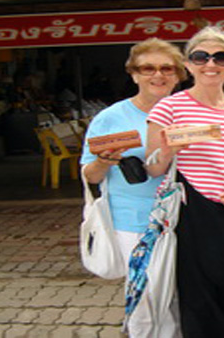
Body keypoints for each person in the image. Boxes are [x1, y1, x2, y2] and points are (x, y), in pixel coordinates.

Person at [144, 26, 224, 338]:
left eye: (221, 57)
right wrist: (167, 151)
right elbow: (152, 168)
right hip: (191, 212)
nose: (210, 64)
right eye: (200, 57)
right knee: (200, 297)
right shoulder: (169, 107)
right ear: (188, 65)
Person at [80, 37, 186, 336]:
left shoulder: (191, 112)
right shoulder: (111, 118)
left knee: (181, 297)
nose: (158, 75)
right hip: (133, 221)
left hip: (187, 220)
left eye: (167, 68)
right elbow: (90, 175)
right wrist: (104, 161)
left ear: (179, 73)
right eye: (148, 68)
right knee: (147, 299)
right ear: (134, 73)